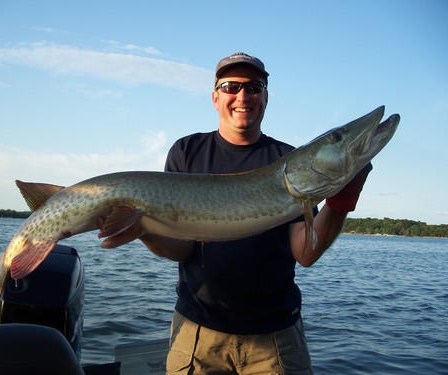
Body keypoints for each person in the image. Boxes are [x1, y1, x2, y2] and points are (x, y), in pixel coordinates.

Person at [130, 53, 371, 374]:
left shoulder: (288, 161)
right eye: (231, 86)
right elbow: (183, 248)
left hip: (276, 340)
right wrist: (144, 229)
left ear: (266, 98)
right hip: (198, 336)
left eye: (254, 87)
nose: (243, 96)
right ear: (215, 97)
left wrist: (339, 206)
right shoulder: (186, 152)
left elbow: (306, 252)